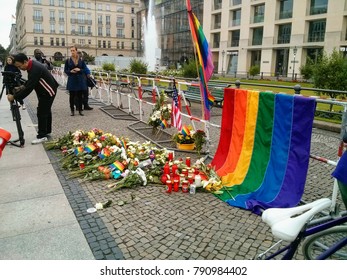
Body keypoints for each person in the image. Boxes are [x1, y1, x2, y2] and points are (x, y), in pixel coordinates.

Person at [7, 53, 58, 144]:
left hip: (48, 91)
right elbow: (30, 82)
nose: (20, 69)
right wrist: (21, 87)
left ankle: (42, 136)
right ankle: (47, 131)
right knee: (46, 110)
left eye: (20, 66)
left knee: (42, 112)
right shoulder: (32, 65)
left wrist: (14, 96)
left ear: (25, 61)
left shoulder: (35, 69)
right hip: (46, 90)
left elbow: (29, 87)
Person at [64, 45, 89, 116]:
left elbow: (85, 69)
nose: (72, 52)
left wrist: (79, 69)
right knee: (71, 96)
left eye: (73, 50)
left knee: (80, 96)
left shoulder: (81, 60)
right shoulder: (68, 60)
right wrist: (70, 71)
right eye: (71, 51)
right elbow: (65, 70)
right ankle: (72, 110)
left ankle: (80, 110)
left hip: (80, 80)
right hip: (72, 80)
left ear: (76, 51)